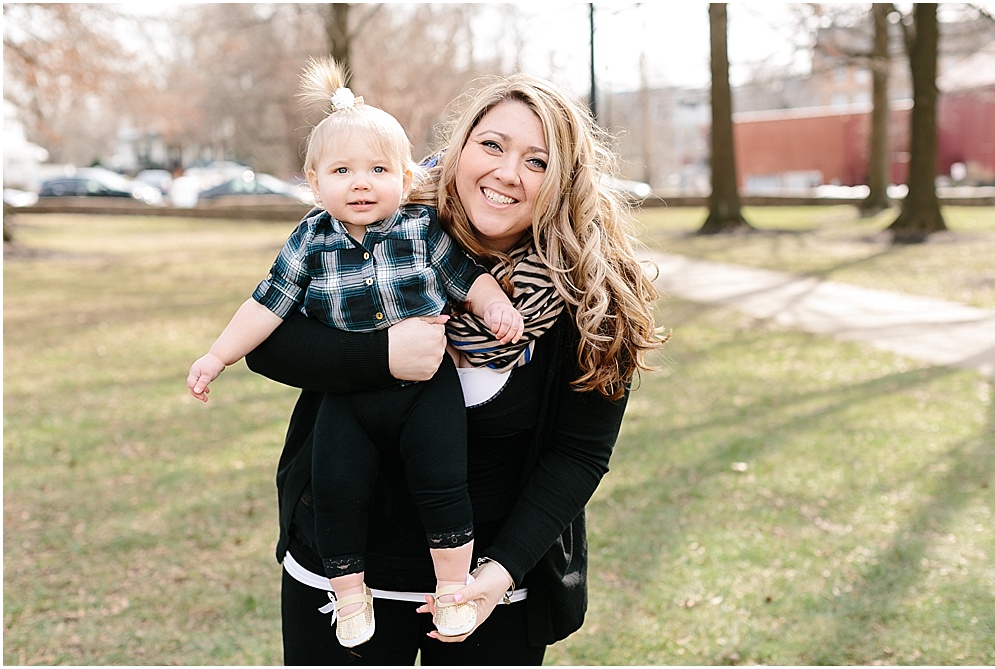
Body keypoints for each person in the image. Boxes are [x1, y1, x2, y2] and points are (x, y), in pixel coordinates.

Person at [245, 70, 666, 665]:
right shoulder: (385, 228)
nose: (507, 173)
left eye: (537, 161)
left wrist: (501, 573)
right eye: (491, 145)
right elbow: (267, 341)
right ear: (461, 146)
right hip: (345, 574)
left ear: (564, 181)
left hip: (490, 582)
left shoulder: (594, 294)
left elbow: (579, 453)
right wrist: (382, 355)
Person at [186, 58, 526, 648]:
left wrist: (494, 306)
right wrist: (217, 356)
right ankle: (348, 594)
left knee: (444, 481)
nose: (361, 183)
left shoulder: (423, 231)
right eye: (342, 171)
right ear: (314, 184)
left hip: (428, 393)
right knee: (337, 486)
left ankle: (451, 588)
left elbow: (466, 278)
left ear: (405, 177)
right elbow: (267, 307)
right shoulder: (309, 241)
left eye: (377, 169)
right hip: (350, 399)